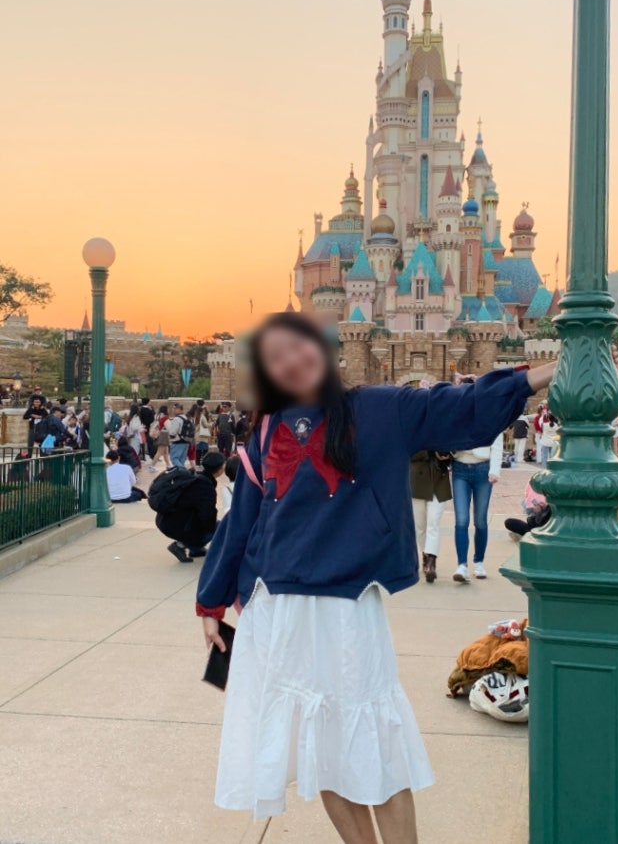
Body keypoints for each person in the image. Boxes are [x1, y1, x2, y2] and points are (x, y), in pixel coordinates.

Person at [195, 312, 554, 839]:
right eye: (276, 357)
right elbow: (242, 518)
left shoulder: (380, 408)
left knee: (375, 748)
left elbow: (462, 405)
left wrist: (545, 372)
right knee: (320, 751)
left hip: (347, 606)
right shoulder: (267, 429)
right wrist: (211, 602)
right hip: (277, 609)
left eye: (298, 346)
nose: (292, 361)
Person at [450, 422, 503, 583]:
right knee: (461, 519)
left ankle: (478, 562)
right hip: (460, 467)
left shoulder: (491, 414)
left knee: (480, 520)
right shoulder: (458, 413)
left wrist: (495, 469)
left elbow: (497, 441)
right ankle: (462, 565)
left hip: (483, 469)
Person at [158, 450, 225, 562]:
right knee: (220, 526)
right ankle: (180, 545)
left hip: (166, 519)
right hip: (175, 525)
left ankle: (195, 549)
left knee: (208, 523)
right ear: (219, 470)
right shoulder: (205, 486)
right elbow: (207, 516)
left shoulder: (194, 475)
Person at [409, 449, 452, 584]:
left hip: (439, 478)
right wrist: (430, 452)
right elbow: (407, 450)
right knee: (420, 526)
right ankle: (426, 555)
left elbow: (453, 447)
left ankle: (431, 563)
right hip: (417, 479)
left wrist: (448, 454)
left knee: (433, 523)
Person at [167, 404, 191, 468]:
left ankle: (184, 471)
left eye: (175, 408)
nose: (173, 410)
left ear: (179, 409)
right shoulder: (186, 418)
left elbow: (173, 432)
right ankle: (182, 473)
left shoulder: (177, 419)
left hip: (177, 441)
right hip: (186, 441)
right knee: (182, 461)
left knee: (174, 458)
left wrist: (170, 436)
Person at [150, 405, 172, 469]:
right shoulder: (165, 418)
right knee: (159, 452)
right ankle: (152, 465)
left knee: (166, 452)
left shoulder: (158, 417)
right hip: (164, 436)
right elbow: (169, 428)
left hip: (161, 434)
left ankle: (168, 465)